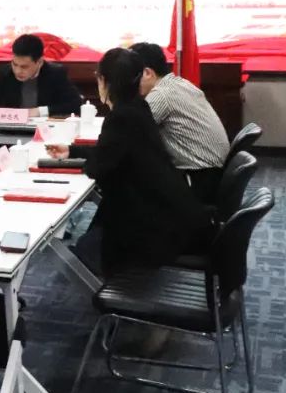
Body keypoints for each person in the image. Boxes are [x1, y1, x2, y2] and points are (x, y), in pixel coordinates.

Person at [45, 48, 212, 278]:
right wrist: (73, 150)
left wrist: (80, 162)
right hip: (170, 211)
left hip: (151, 226)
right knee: (92, 239)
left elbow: (100, 168)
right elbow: (116, 152)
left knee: (89, 250)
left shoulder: (120, 117)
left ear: (105, 81)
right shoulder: (138, 107)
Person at [130, 42, 230, 203]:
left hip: (198, 181)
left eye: (131, 76)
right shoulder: (179, 83)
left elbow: (128, 133)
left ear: (147, 73)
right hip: (211, 175)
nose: (129, 83)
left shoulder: (161, 95)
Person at [0, 34, 82, 119]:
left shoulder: (56, 74)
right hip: (12, 133)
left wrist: (39, 111)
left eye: (24, 67)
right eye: (15, 64)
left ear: (40, 62)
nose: (18, 71)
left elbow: (75, 104)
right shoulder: (6, 73)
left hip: (47, 133)